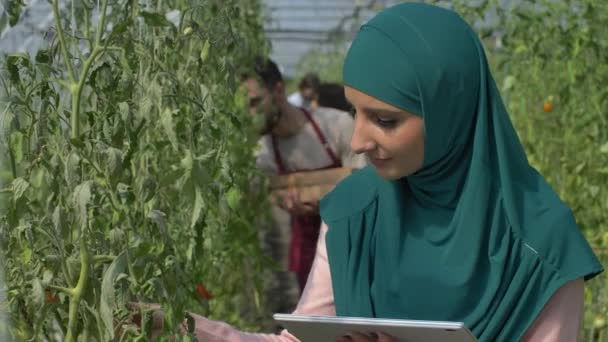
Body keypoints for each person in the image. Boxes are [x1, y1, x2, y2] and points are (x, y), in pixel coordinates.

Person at [149, 3, 604, 341]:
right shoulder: (353, 213)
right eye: (354, 112)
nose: (359, 141)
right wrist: (185, 328)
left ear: (452, 113)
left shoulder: (538, 246)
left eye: (385, 120)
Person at [246, 58, 366, 302]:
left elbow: (367, 185)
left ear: (278, 91)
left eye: (255, 102)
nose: (250, 114)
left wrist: (330, 202)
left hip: (355, 241)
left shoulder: (334, 125)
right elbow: (268, 193)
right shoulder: (264, 151)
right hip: (308, 246)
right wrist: (285, 202)